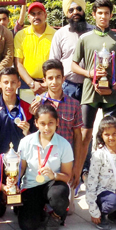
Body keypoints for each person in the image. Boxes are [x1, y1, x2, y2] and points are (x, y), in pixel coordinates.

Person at [71, 0, 116, 179]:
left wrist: (114, 86)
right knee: (85, 134)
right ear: (94, 15)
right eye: (100, 13)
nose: (103, 16)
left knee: (111, 134)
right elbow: (73, 66)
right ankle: (79, 172)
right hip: (90, 93)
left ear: (111, 15)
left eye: (106, 13)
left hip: (110, 95)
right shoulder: (85, 38)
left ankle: (111, 175)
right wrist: (90, 73)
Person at [29, 59, 85, 211]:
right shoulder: (37, 102)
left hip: (65, 162)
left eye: (58, 77)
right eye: (50, 78)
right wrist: (31, 115)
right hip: (43, 160)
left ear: (63, 78)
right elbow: (29, 135)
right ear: (44, 80)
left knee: (67, 209)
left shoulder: (73, 104)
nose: (54, 82)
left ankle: (56, 211)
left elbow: (78, 136)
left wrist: (77, 167)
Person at [16, 105, 73, 230]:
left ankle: (56, 216)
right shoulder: (26, 142)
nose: (46, 128)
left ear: (57, 123)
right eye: (42, 123)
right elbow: (22, 168)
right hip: (32, 186)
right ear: (36, 123)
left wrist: (54, 175)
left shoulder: (64, 144)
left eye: (50, 123)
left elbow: (67, 176)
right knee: (28, 227)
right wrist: (13, 180)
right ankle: (40, 211)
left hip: (52, 184)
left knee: (58, 194)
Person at [0, 67, 33, 217]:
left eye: (13, 82)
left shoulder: (27, 108)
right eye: (5, 82)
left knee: (23, 212)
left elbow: (34, 141)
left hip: (21, 167)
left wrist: (28, 132)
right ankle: (2, 196)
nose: (9, 86)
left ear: (19, 83)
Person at [50, 0, 94, 100]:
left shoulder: (94, 31)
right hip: (68, 86)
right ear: (67, 14)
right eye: (71, 10)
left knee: (87, 117)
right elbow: (54, 62)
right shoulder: (60, 34)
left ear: (83, 11)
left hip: (91, 85)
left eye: (79, 9)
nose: (75, 12)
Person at [15, 1, 56, 96]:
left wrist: (47, 83)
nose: (36, 17)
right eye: (33, 14)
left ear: (45, 16)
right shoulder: (21, 35)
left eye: (39, 13)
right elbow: (18, 63)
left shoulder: (55, 35)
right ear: (28, 18)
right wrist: (31, 83)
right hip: (27, 84)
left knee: (49, 110)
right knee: (27, 110)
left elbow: (59, 61)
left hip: (50, 84)